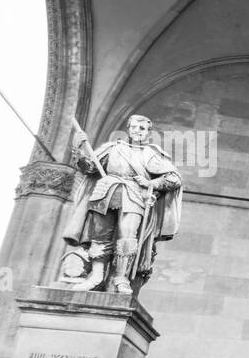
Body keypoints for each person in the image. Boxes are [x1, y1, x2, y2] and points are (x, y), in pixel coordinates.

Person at [65, 115, 182, 294]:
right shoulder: (112, 148)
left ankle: (121, 277)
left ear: (148, 132)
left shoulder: (152, 153)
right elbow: (89, 167)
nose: (137, 131)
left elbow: (174, 178)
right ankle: (96, 276)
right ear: (128, 128)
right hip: (105, 192)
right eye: (134, 127)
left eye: (142, 128)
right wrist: (78, 149)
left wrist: (151, 183)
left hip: (134, 195)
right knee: (100, 236)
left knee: (128, 238)